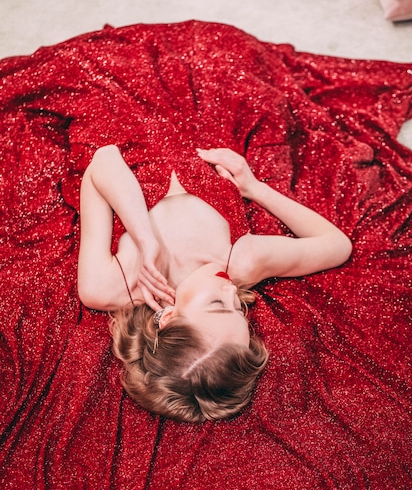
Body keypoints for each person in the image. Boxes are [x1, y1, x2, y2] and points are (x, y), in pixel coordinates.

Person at [78, 145, 352, 422]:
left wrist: (144, 238)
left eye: (218, 304)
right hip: (202, 135)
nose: (232, 290)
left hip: (125, 130)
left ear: (170, 316)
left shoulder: (110, 285)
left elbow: (104, 158)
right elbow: (337, 246)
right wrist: (255, 189)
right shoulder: (241, 261)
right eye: (238, 310)